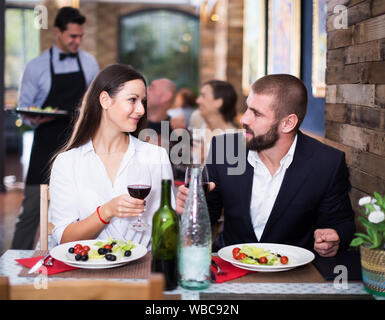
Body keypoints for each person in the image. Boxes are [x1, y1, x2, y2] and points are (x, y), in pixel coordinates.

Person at [176, 74, 356, 257]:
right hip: (231, 268)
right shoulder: (224, 149)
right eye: (247, 108)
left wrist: (335, 238)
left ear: (288, 123)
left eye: (256, 113)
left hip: (294, 273)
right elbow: (209, 214)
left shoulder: (326, 163)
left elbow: (342, 223)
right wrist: (191, 209)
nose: (244, 119)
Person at [49, 64, 174, 248]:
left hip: (143, 270)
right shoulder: (68, 162)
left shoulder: (156, 156)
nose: (141, 110)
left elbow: (166, 229)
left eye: (143, 102)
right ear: (105, 100)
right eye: (133, 100)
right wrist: (106, 211)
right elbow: (65, 239)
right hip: (86, 271)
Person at [11, 7, 99, 249]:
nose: (77, 41)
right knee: (30, 212)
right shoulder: (36, 66)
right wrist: (33, 118)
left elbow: (97, 102)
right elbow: (25, 107)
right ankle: (14, 266)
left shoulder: (90, 63)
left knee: (82, 209)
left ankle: (76, 257)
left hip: (79, 144)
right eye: (72, 36)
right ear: (58, 32)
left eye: (80, 36)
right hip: (45, 145)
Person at [189, 80, 239, 163]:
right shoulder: (196, 118)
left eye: (203, 96)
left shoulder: (233, 138)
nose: (197, 100)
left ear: (218, 102)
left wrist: (203, 159)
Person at [146, 78, 177, 143]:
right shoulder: (131, 124)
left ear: (166, 97)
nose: (146, 90)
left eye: (151, 88)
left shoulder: (176, 131)